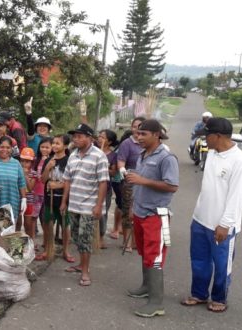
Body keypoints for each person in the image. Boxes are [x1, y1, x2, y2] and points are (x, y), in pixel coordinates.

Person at [181, 117, 242, 314]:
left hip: (222, 226)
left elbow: (236, 197)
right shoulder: (211, 154)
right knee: (199, 260)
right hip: (200, 220)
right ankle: (199, 293)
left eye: (207, 136)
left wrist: (225, 224)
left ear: (218, 136)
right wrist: (197, 214)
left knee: (221, 265)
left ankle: (219, 297)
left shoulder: (239, 161)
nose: (204, 141)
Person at [123, 119, 179, 317]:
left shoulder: (167, 157)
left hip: (157, 214)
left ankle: (156, 303)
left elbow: (172, 186)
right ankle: (146, 286)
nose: (138, 138)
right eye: (138, 134)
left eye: (143, 134)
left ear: (156, 134)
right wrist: (132, 206)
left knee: (155, 256)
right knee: (145, 252)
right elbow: (139, 185)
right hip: (140, 211)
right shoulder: (142, 154)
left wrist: (142, 180)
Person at [60, 124, 109, 287]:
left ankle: (85, 271)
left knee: (85, 238)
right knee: (76, 237)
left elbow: (103, 182)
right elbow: (67, 179)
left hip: (89, 206)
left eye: (80, 136)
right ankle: (81, 264)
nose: (76, 139)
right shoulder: (73, 155)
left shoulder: (99, 156)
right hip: (74, 205)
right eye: (75, 136)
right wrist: (64, 201)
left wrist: (98, 205)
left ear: (90, 138)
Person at [39, 135, 72, 262]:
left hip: (63, 199)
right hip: (49, 199)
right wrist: (47, 167)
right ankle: (47, 250)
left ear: (65, 146)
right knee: (48, 224)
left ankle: (65, 251)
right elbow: (43, 180)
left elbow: (71, 182)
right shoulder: (48, 160)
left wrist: (58, 184)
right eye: (53, 143)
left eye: (58, 143)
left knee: (65, 225)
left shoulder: (69, 161)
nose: (54, 146)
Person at [0, 136, 27, 231]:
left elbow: (21, 182)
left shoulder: (16, 163)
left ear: (11, 149)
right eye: (2, 147)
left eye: (8, 147)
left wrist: (24, 198)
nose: (5, 150)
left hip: (13, 202)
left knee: (10, 231)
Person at [117, 116, 145, 252]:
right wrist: (124, 173)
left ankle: (136, 242)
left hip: (145, 184)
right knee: (128, 212)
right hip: (130, 183)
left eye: (140, 127)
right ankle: (126, 242)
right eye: (134, 126)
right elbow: (121, 161)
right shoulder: (127, 144)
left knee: (140, 213)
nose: (137, 129)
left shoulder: (148, 144)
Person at [97, 129, 119, 249]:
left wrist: (102, 166)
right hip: (91, 187)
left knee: (102, 213)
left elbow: (113, 172)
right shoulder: (93, 152)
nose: (99, 139)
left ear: (109, 142)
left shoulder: (113, 156)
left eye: (103, 137)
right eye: (99, 136)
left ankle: (100, 237)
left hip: (105, 188)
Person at [31, 137, 52, 254]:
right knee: (34, 217)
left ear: (51, 148)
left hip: (47, 193)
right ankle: (33, 241)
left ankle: (46, 241)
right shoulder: (36, 160)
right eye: (42, 147)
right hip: (36, 192)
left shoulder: (52, 160)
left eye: (47, 147)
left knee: (46, 219)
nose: (44, 149)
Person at [20, 148, 38, 236]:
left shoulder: (33, 173)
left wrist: (26, 176)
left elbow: (30, 188)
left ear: (32, 163)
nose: (24, 164)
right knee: (17, 223)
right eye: (22, 161)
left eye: (27, 162)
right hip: (18, 200)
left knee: (28, 224)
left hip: (29, 201)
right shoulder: (17, 171)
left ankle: (30, 242)